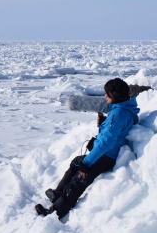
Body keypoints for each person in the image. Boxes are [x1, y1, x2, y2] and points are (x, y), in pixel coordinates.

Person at [36, 78, 140, 219]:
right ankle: (58, 193)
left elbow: (106, 142)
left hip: (106, 156)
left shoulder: (119, 114)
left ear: (114, 95)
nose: (105, 96)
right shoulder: (121, 108)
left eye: (107, 94)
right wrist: (103, 124)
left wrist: (86, 165)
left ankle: (55, 212)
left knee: (79, 179)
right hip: (105, 153)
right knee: (76, 162)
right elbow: (112, 133)